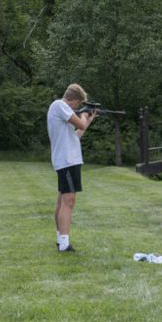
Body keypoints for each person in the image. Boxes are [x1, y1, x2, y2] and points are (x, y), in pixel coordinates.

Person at [47, 83, 96, 252]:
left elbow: (75, 135)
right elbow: (80, 125)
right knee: (69, 201)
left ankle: (61, 239)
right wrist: (83, 116)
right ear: (73, 100)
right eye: (78, 104)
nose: (78, 107)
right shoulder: (59, 105)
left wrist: (87, 120)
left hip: (69, 160)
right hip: (67, 161)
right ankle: (64, 243)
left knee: (62, 201)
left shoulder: (61, 110)